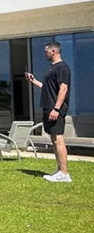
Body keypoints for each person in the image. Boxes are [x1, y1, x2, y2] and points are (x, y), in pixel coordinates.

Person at [25, 41, 72, 182]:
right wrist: (33, 80)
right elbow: (46, 88)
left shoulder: (62, 68)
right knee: (54, 140)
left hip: (55, 109)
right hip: (48, 108)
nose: (45, 54)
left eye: (46, 52)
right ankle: (59, 170)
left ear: (53, 51)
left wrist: (56, 109)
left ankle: (64, 173)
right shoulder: (52, 68)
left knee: (58, 139)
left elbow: (63, 89)